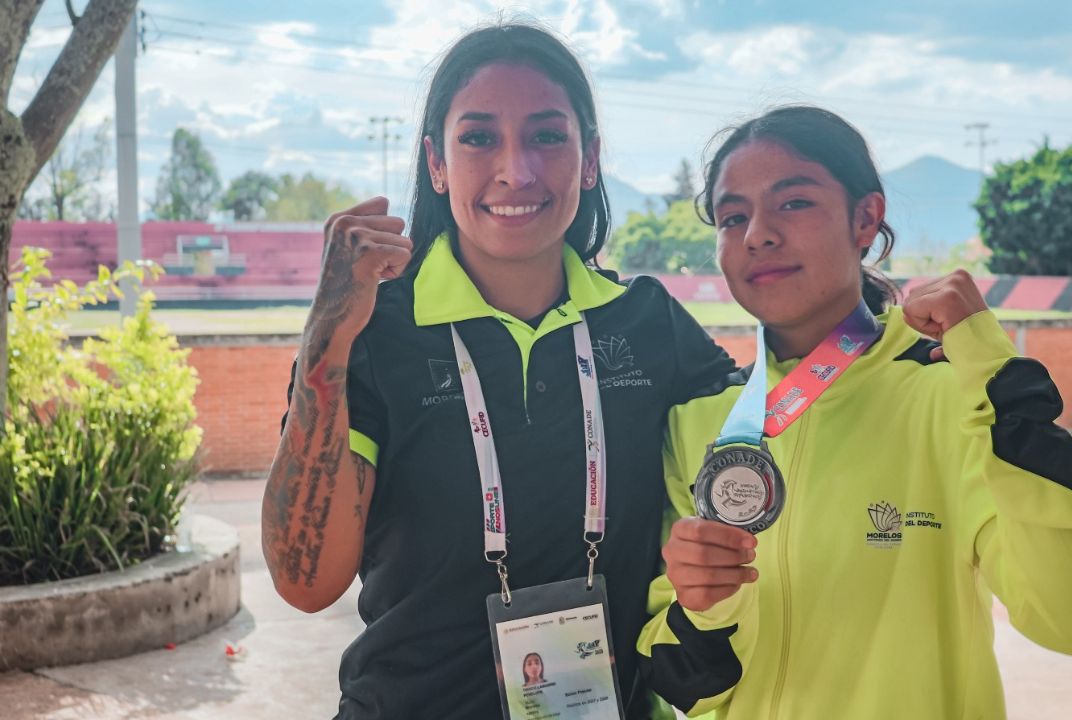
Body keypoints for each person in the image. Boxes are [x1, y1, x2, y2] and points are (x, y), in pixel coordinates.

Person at [262, 22, 738, 718]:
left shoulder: (648, 324)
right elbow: (307, 583)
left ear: (591, 158)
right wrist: (327, 338)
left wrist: (882, 329)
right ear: (436, 162)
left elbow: (784, 423)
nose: (516, 170)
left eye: (548, 135)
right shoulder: (378, 332)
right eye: (479, 138)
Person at [635, 105, 1072, 719]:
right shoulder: (698, 422)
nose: (757, 235)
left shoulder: (954, 395)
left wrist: (991, 372)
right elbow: (682, 689)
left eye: (792, 203)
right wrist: (702, 607)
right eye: (732, 216)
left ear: (865, 218)